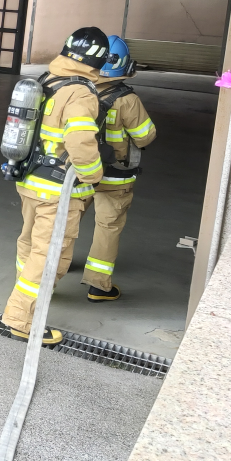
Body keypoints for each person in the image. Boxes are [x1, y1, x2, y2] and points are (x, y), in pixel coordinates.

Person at [4, 27, 110, 346]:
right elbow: (80, 141)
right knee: (49, 255)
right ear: (99, 60)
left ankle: (31, 290)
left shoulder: (45, 80)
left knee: (29, 243)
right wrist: (93, 176)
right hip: (58, 193)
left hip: (29, 181)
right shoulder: (80, 93)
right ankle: (23, 320)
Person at [81, 35, 157, 302]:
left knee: (65, 222)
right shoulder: (127, 100)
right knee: (108, 225)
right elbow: (145, 136)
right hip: (115, 175)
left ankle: (56, 267)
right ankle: (98, 285)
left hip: (78, 172)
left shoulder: (76, 91)